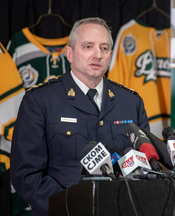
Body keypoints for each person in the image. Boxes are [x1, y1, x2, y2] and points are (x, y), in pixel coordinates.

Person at [10, 17, 150, 216]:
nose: (97, 54)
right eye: (88, 46)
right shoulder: (39, 101)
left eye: (104, 48)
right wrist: (71, 207)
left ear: (111, 54)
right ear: (70, 53)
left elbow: (142, 167)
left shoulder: (132, 102)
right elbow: (25, 175)